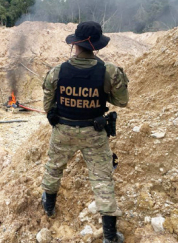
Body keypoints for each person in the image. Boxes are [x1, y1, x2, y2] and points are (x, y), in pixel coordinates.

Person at [41, 21, 129, 243]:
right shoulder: (108, 71)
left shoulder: (57, 71)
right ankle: (109, 235)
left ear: (75, 44)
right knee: (102, 179)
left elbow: (46, 106)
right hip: (94, 132)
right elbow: (122, 101)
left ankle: (49, 207)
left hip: (63, 130)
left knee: (54, 168)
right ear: (96, 46)